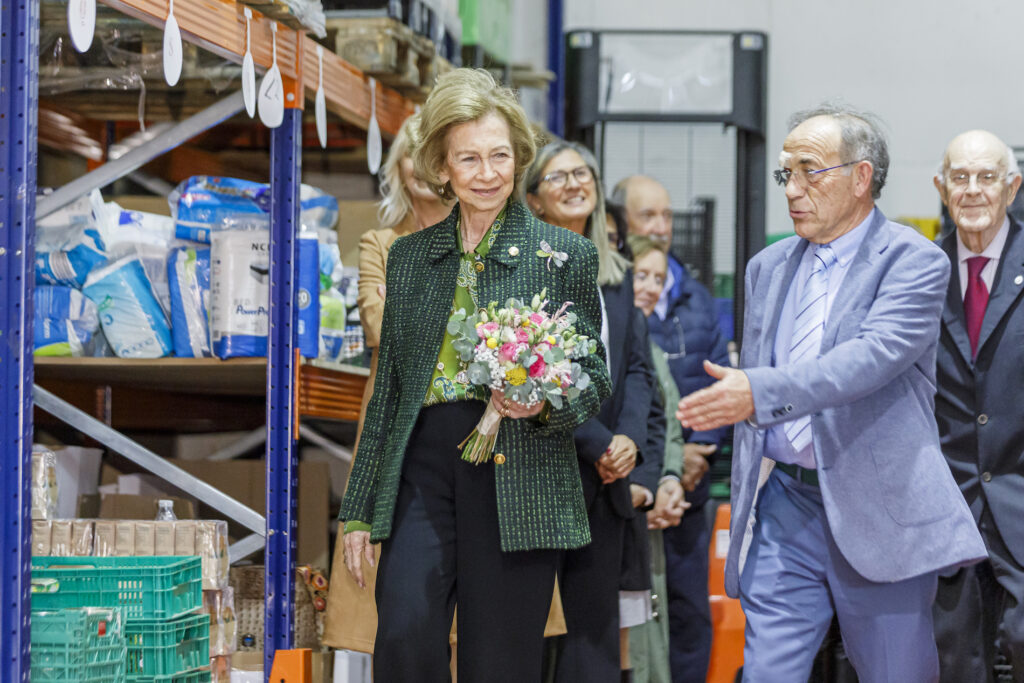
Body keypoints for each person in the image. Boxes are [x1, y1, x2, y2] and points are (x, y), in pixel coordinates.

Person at [675, 103, 987, 681]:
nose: (791, 188)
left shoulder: (913, 260)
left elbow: (868, 359)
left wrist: (759, 392)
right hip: (786, 505)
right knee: (767, 672)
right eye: (785, 173)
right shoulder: (767, 267)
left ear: (860, 177)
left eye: (808, 171)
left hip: (879, 509)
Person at [339, 68, 611, 683]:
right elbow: (389, 393)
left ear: (518, 158)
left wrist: (543, 402)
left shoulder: (564, 255)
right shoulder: (409, 260)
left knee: (500, 662)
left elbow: (595, 377)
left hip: (520, 468)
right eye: (469, 158)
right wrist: (358, 509)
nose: (487, 173)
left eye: (499, 156)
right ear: (441, 166)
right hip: (424, 467)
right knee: (405, 633)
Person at [523, 140, 662, 683]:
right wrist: (598, 441)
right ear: (533, 200)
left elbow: (638, 370)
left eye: (581, 173)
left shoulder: (620, 276)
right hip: (546, 475)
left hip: (607, 486)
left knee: (594, 641)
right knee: (528, 635)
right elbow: (533, 371)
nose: (574, 183)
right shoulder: (526, 272)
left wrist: (627, 442)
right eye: (557, 178)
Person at [323, 114, 453, 655]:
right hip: (394, 422)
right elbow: (379, 325)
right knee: (396, 591)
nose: (420, 165)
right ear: (397, 167)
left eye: (433, 153)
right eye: (411, 152)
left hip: (469, 426)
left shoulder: (483, 239)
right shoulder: (381, 242)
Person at [612, 173, 727, 682]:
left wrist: (693, 459)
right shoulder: (614, 301)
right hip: (628, 488)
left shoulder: (697, 298)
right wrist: (658, 471)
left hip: (687, 491)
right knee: (631, 623)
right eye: (647, 216)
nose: (661, 228)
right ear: (620, 224)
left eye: (667, 216)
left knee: (686, 610)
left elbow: (722, 373)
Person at [932, 130, 1024, 683]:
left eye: (986, 177)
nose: (972, 190)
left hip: (1020, 498)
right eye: (959, 177)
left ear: (1011, 188)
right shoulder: (917, 272)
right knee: (954, 664)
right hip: (947, 511)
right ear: (941, 188)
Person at [627, 235, 690, 683]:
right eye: (641, 275)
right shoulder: (612, 344)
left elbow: (669, 424)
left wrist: (670, 479)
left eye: (659, 280)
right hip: (622, 507)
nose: (650, 287)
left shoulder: (650, 345)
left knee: (653, 625)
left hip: (652, 510)